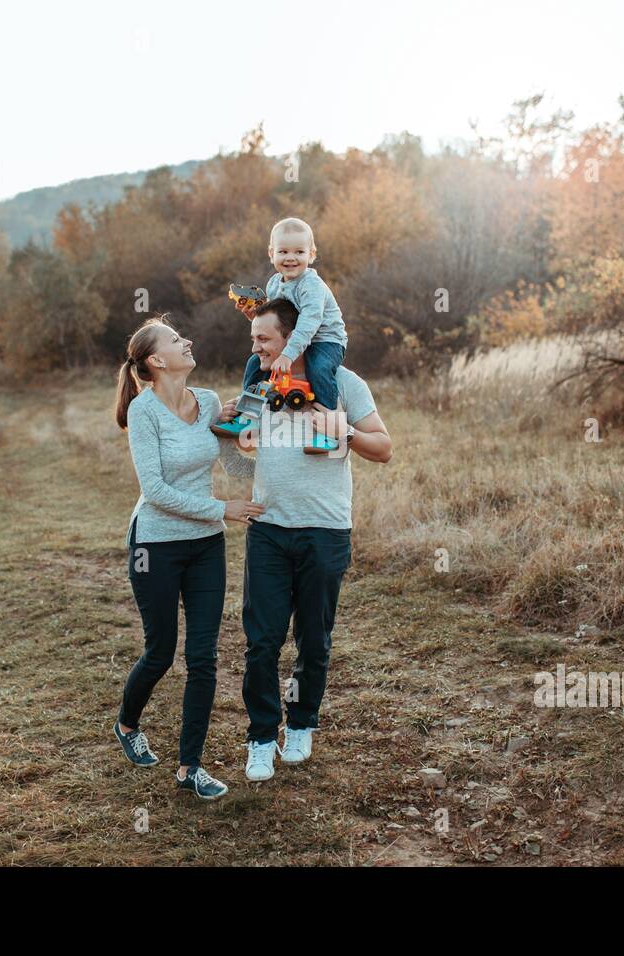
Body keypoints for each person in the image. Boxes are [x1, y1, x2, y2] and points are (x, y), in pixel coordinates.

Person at [217, 298, 393, 781]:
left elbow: (384, 448)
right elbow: (239, 467)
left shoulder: (343, 384)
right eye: (254, 339)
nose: (255, 348)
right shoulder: (258, 386)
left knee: (313, 640)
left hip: (325, 531)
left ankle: (302, 724)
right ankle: (260, 737)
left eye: (263, 339)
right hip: (269, 531)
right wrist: (232, 439)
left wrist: (346, 431)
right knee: (261, 642)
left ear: (294, 339)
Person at [112, 316, 262, 800]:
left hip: (205, 546)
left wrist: (249, 427)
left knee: (203, 658)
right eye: (176, 340)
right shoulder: (144, 412)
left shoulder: (211, 402)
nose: (187, 341)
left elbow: (235, 465)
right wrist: (223, 508)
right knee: (160, 652)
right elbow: (153, 491)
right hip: (153, 546)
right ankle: (128, 725)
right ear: (156, 360)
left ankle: (189, 767)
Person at [212, 217, 349, 452]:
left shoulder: (312, 286)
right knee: (255, 363)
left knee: (319, 368)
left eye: (299, 251)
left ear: (311, 254)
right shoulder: (274, 284)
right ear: (271, 253)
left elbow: (309, 322)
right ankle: (248, 417)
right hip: (294, 340)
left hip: (325, 340)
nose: (290, 258)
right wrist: (254, 316)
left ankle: (328, 431)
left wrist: (287, 354)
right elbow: (276, 321)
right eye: (283, 251)